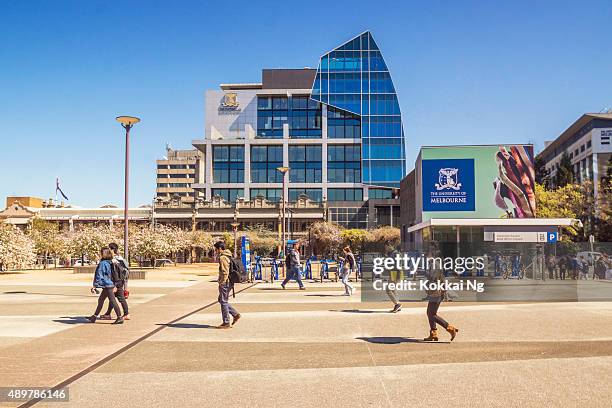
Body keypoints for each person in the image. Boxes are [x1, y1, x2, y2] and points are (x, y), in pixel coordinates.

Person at [422, 261, 458, 342]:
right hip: (436, 291)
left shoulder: (435, 264)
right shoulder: (434, 264)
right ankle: (433, 333)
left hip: (436, 292)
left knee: (432, 314)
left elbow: (434, 277)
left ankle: (450, 328)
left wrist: (426, 274)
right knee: (430, 313)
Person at [88, 247, 123, 324]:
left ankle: (119, 317)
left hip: (107, 285)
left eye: (100, 253)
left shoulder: (103, 263)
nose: (99, 254)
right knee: (101, 300)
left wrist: (95, 286)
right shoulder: (110, 262)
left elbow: (99, 275)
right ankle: (94, 316)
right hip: (110, 284)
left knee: (113, 301)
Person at [99, 243, 130, 321]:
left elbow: (115, 273)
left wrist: (115, 284)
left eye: (109, 249)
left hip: (116, 282)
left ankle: (126, 314)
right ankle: (108, 314)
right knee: (113, 298)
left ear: (112, 249)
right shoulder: (121, 258)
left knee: (119, 298)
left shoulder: (113, 260)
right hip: (120, 281)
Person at [214, 241, 240, 329]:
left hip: (226, 282)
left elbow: (225, 271)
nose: (216, 251)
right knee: (221, 299)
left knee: (223, 301)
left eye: (216, 249)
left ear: (220, 249)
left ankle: (226, 322)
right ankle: (235, 314)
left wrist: (222, 282)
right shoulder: (229, 255)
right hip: (230, 281)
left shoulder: (223, 257)